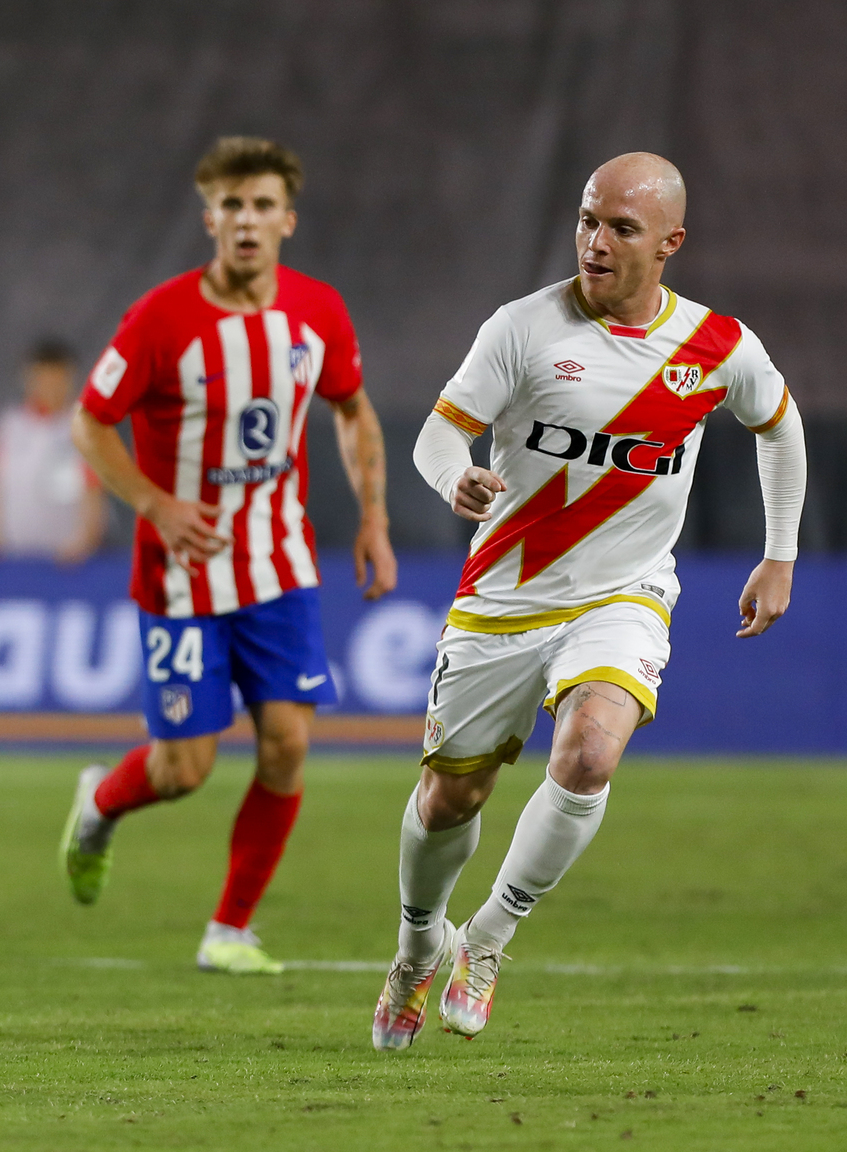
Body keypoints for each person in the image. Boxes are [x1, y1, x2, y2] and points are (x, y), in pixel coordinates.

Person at [371, 152, 805, 1051]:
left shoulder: (717, 347)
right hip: (504, 596)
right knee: (451, 801)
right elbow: (436, 434)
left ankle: (486, 941)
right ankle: (419, 944)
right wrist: (455, 476)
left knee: (590, 753)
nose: (594, 242)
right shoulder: (524, 329)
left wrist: (780, 554)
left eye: (620, 228)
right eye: (585, 220)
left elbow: (780, 426)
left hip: (623, 593)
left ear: (671, 244)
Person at [58, 137, 397, 974]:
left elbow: (352, 411)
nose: (247, 222)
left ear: (288, 219)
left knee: (287, 743)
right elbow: (89, 421)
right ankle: (100, 802)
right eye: (232, 206)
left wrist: (374, 518)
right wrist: (152, 502)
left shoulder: (318, 313)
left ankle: (229, 930)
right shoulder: (160, 319)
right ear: (211, 218)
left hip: (278, 565)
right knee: (185, 769)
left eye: (262, 206)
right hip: (181, 578)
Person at [0, 338, 105, 563]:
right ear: (28, 377)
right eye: (42, 376)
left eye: (57, 376)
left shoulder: (84, 427)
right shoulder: (7, 425)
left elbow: (93, 492)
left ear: (70, 377)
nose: (50, 384)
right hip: (11, 557)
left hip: (65, 562)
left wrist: (85, 541)